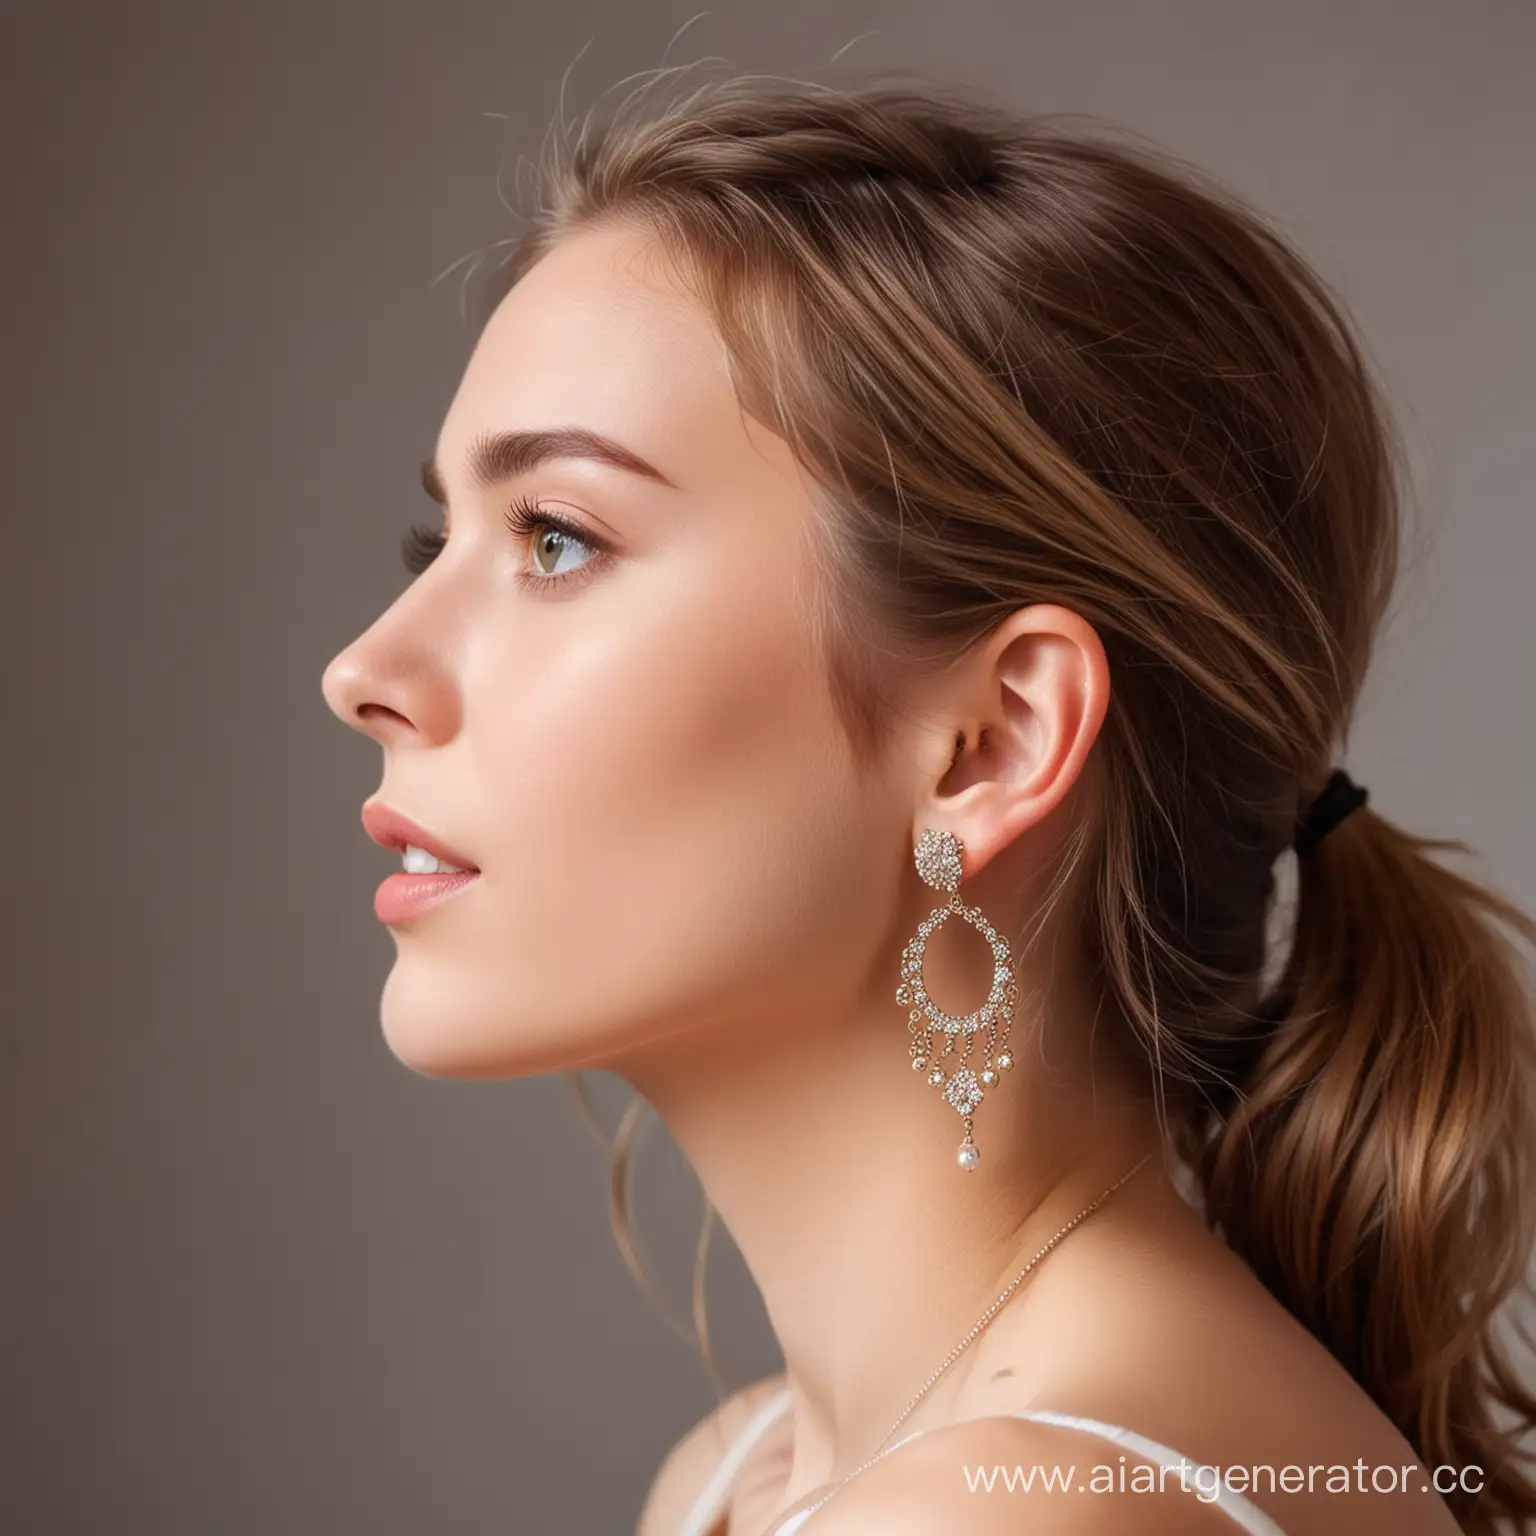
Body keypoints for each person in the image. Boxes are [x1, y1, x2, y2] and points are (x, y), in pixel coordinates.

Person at [320, 69, 1536, 1535]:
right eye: (432, 539)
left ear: (993, 742)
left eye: (558, 540)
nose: (366, 672)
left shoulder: (1015, 1510)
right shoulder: (749, 1474)